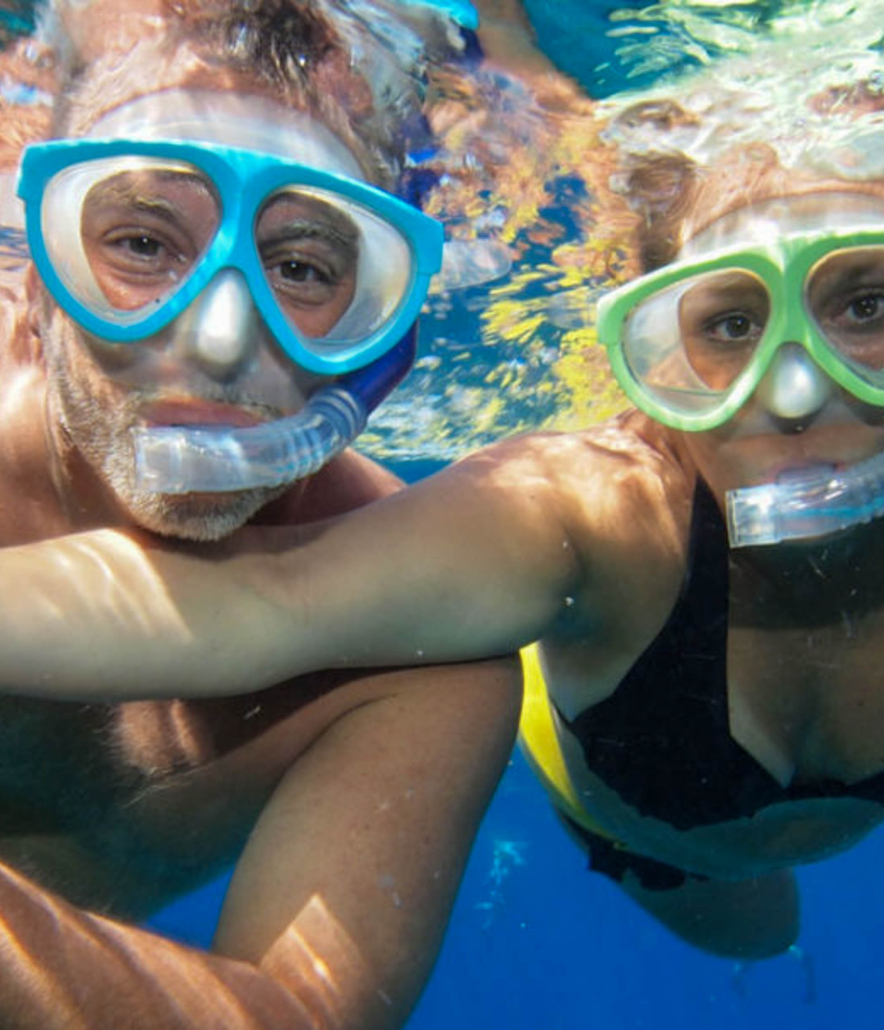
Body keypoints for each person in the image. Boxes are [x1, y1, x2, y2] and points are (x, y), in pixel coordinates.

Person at [3, 90, 884, 965]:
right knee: (756, 938)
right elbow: (262, 595)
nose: (800, 391)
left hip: (806, 823)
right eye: (727, 324)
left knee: (776, 943)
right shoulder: (590, 516)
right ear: (656, 365)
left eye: (869, 305)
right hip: (663, 851)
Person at [0, 0, 523, 1026]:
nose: (221, 335)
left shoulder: (420, 644)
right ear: (36, 278)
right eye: (143, 241)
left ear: (380, 329)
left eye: (300, 267)